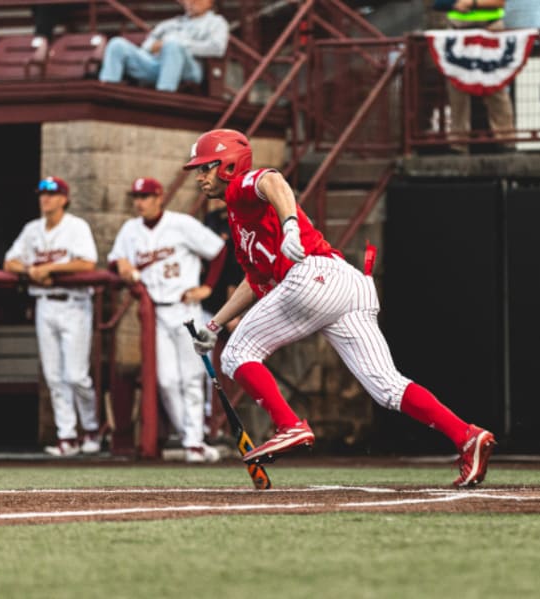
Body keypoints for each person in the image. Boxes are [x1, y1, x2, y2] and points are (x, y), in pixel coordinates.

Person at [184, 129, 496, 487]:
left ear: (227, 166)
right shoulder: (239, 225)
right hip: (348, 285)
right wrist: (215, 325)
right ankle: (467, 435)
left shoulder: (241, 188)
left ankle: (289, 425)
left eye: (205, 168)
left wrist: (289, 225)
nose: (199, 177)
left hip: (314, 276)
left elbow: (274, 181)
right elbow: (256, 280)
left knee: (238, 354)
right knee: (387, 388)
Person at [107, 177, 227, 463]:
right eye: (137, 196)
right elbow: (115, 259)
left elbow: (219, 251)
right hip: (156, 312)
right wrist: (120, 264)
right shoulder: (130, 229)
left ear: (159, 197)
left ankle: (194, 442)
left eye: (146, 196)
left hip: (186, 309)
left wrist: (207, 287)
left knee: (192, 377)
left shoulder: (181, 223)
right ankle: (191, 436)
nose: (140, 202)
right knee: (166, 380)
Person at [3, 176, 102, 457]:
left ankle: (91, 428)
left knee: (76, 375)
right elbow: (9, 261)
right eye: (42, 194)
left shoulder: (76, 226)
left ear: (64, 199)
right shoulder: (32, 229)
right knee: (54, 375)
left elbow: (87, 262)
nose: (45, 199)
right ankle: (67, 436)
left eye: (52, 194)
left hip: (74, 303)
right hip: (45, 304)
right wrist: (30, 271)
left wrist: (50, 269)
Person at [98, 0, 228, 92]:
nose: (191, 2)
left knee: (173, 45)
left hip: (190, 68)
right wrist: (154, 46)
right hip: (157, 64)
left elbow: (217, 48)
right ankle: (107, 90)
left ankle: (165, 93)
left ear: (210, 2)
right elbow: (147, 45)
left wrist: (180, 44)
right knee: (117, 44)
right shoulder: (171, 23)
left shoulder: (217, 22)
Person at [445, 0, 515, 153]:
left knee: (495, 85)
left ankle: (506, 140)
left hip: (489, 29)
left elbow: (500, 2)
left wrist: (472, 4)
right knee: (457, 87)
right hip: (458, 31)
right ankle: (458, 143)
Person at [201, 197, 243, 434]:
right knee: (203, 365)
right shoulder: (210, 220)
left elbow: (235, 270)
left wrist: (232, 310)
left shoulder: (241, 223)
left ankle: (218, 421)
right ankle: (208, 419)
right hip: (206, 303)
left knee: (229, 362)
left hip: (229, 302)